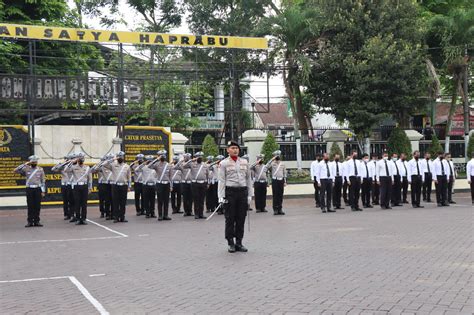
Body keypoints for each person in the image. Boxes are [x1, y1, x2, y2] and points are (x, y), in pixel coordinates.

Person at [218, 140, 253, 253]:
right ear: (228, 150)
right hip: (230, 192)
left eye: (236, 148)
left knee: (241, 218)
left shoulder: (244, 162)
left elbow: (248, 179)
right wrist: (221, 196)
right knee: (230, 218)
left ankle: (239, 242)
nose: (235, 150)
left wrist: (250, 195)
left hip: (242, 192)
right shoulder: (223, 163)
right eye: (232, 148)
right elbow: (221, 181)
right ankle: (230, 243)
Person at [14, 155, 46, 227]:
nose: (34, 163)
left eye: (35, 161)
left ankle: (37, 221)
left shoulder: (40, 169)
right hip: (29, 189)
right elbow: (15, 170)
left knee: (37, 206)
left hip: (38, 189)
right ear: (30, 162)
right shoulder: (26, 168)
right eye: (33, 161)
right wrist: (25, 164)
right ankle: (30, 221)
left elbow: (43, 181)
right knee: (30, 205)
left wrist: (43, 191)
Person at [101, 151, 132, 223]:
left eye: (121, 156)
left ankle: (122, 217)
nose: (120, 158)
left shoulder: (127, 166)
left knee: (123, 202)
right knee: (115, 202)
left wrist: (129, 186)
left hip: (124, 186)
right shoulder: (113, 165)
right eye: (119, 156)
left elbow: (129, 177)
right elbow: (104, 164)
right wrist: (113, 159)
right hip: (115, 186)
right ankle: (116, 217)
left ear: (123, 157)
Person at [65, 152, 92, 225]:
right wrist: (71, 162)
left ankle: (83, 218)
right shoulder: (73, 167)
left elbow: (90, 179)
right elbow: (66, 170)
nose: (81, 160)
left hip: (84, 186)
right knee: (77, 203)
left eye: (82, 158)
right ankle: (77, 218)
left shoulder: (87, 167)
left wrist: (90, 188)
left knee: (84, 204)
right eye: (79, 158)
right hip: (76, 187)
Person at [183, 151, 209, 219]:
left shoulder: (205, 164)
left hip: (203, 183)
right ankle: (196, 214)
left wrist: (207, 183)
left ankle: (201, 213)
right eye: (198, 156)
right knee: (196, 199)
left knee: (202, 199)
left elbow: (207, 174)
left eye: (201, 156)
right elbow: (184, 166)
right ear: (196, 157)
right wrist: (191, 160)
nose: (200, 158)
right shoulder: (192, 164)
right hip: (195, 183)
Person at [149, 150, 172, 221]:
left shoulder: (168, 165)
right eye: (161, 155)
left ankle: (165, 215)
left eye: (163, 155)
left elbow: (170, 176)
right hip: (159, 184)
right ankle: (160, 215)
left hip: (167, 184)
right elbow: (149, 166)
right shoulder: (156, 164)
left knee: (166, 200)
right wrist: (156, 159)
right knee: (160, 200)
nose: (162, 157)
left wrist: (171, 186)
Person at [52, 154, 74, 220]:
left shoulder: (72, 166)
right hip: (64, 184)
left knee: (71, 200)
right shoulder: (62, 166)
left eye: (68, 159)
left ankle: (72, 213)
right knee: (65, 200)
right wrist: (61, 164)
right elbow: (53, 169)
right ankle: (66, 214)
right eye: (66, 159)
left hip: (70, 184)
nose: (67, 160)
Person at [91, 153, 114, 219]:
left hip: (112, 184)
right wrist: (100, 163)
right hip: (103, 184)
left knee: (112, 199)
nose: (111, 160)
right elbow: (93, 170)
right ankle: (104, 212)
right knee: (104, 199)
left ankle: (112, 213)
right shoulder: (102, 166)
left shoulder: (115, 165)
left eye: (112, 158)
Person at [268, 150, 287, 215]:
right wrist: (271, 159)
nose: (278, 156)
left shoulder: (283, 164)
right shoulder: (272, 163)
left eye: (278, 155)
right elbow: (266, 167)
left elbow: (284, 173)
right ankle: (275, 209)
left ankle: (280, 209)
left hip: (281, 180)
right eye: (276, 155)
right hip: (275, 180)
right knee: (275, 195)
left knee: (280, 195)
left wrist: (285, 181)